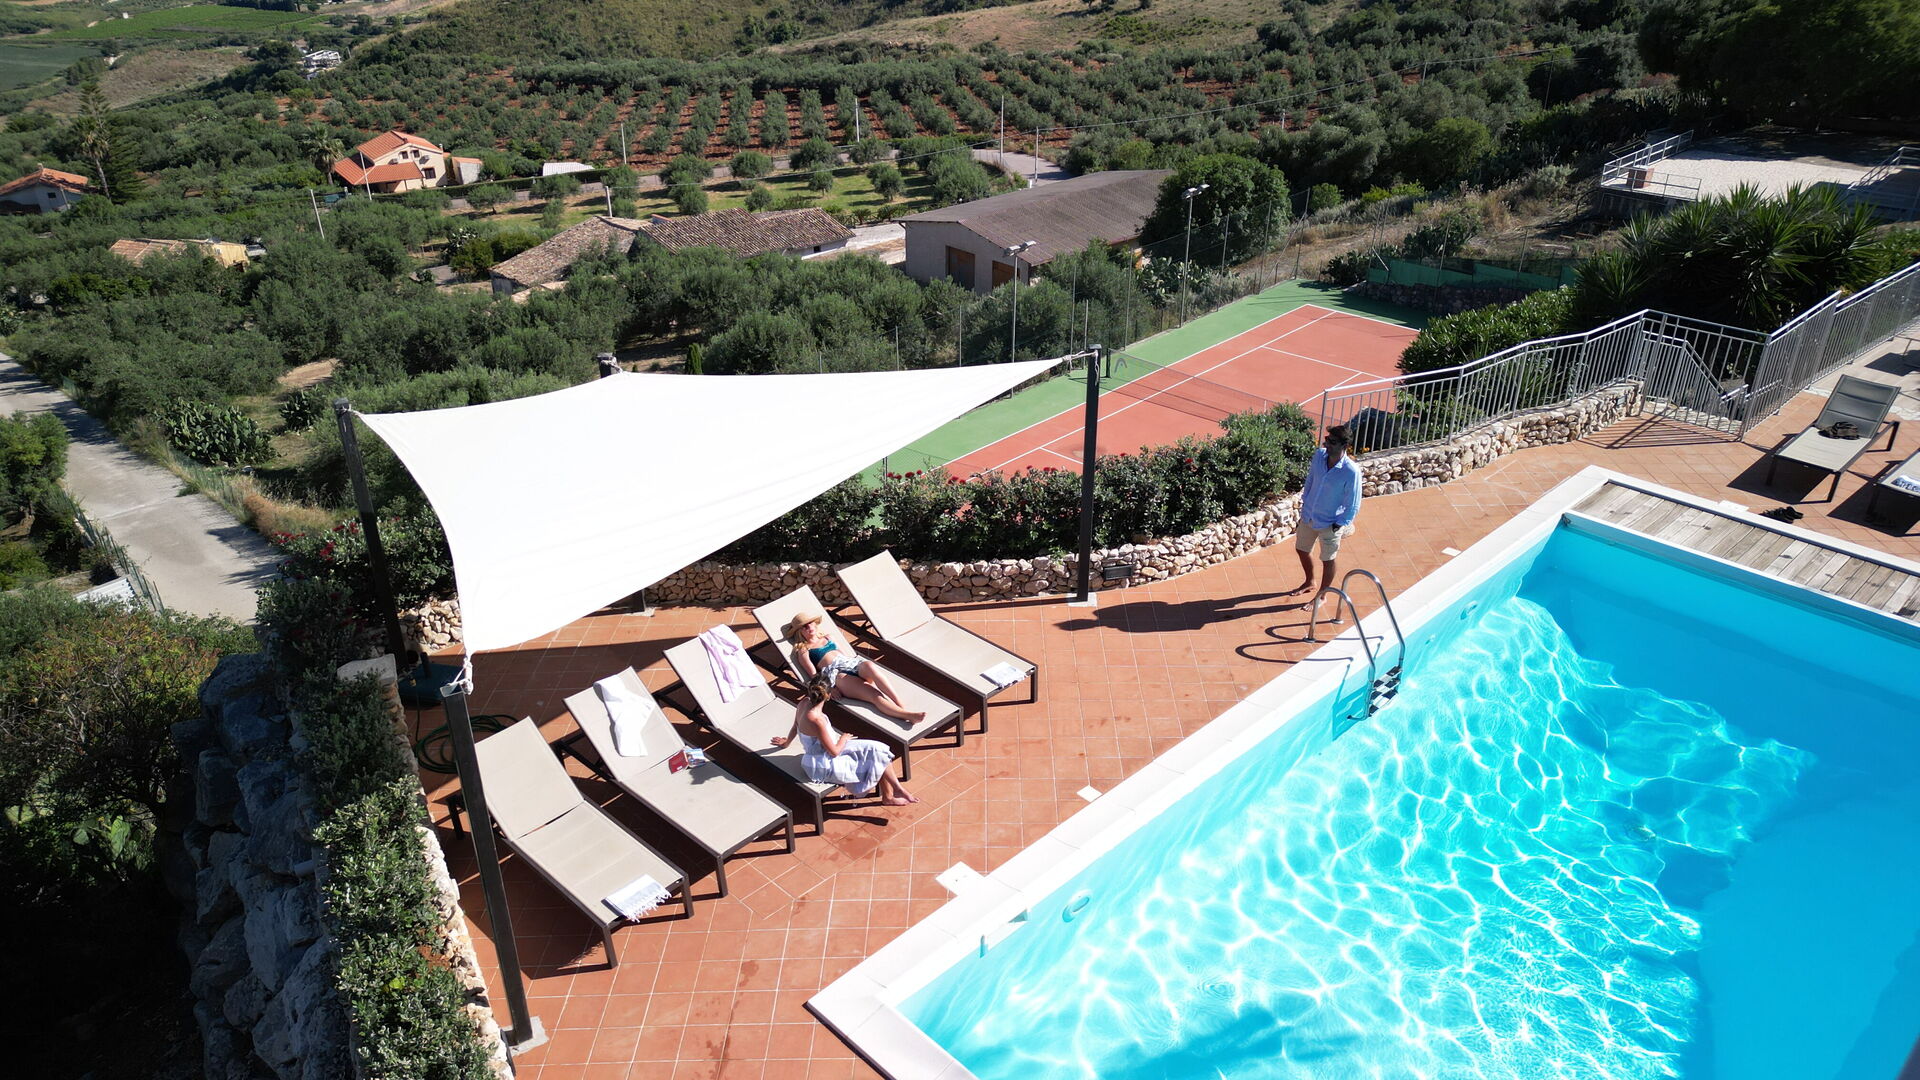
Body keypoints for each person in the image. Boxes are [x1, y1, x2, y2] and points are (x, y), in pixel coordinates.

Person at [772, 677, 917, 805]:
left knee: (879, 750)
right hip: (822, 763)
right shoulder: (817, 720)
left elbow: (795, 726)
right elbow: (834, 752)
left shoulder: (804, 702)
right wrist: (843, 738)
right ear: (828, 695)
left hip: (825, 751)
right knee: (874, 758)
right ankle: (889, 796)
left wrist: (786, 743)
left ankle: (896, 790)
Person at [782, 611, 925, 726]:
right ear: (799, 632)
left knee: (869, 665)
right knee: (874, 695)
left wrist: (858, 666)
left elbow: (845, 655)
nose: (809, 627)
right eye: (804, 626)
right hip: (838, 676)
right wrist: (830, 689)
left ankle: (900, 705)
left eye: (810, 623)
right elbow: (813, 675)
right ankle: (907, 715)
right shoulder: (804, 650)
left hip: (851, 664)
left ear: (815, 624)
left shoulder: (829, 637)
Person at [1286, 424, 1364, 611]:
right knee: (1301, 549)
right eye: (1327, 439)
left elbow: (1353, 503)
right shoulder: (1319, 456)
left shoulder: (1351, 471)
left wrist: (1339, 524)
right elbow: (1311, 479)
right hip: (1310, 515)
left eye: (1332, 442)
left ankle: (1322, 596)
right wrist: (1305, 501)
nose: (1326, 444)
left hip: (1330, 522)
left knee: (1328, 559)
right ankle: (1309, 581)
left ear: (1344, 445)